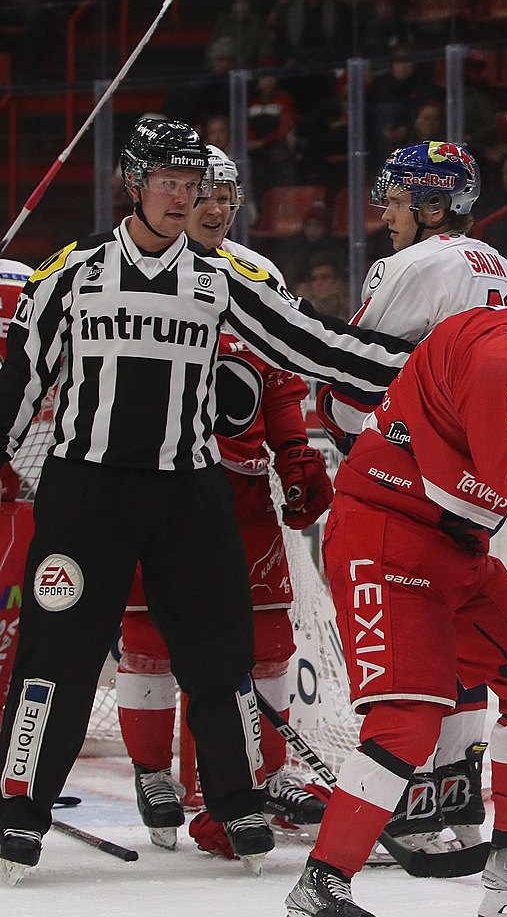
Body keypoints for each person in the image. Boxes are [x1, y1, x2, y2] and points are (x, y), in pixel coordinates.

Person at [0, 118, 410, 884]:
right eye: (168, 182)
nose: (183, 198)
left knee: (221, 657)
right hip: (86, 491)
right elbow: (20, 378)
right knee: (55, 653)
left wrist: (429, 362)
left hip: (189, 492)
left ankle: (233, 801)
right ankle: (22, 806)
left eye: (193, 185)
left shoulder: (219, 278)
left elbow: (315, 344)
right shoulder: (73, 270)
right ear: (133, 183)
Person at [283, 299, 507, 917]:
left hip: (457, 547)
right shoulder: (501, 363)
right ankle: (322, 885)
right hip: (387, 539)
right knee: (407, 722)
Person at [113, 146, 333, 852]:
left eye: (224, 195)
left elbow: (282, 376)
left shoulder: (257, 273)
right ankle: (156, 774)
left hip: (238, 490)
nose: (210, 206)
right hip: (155, 484)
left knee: (268, 641)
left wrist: (295, 452)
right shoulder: (137, 269)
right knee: (150, 640)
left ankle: (261, 775)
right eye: (197, 191)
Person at [317, 138, 507, 851]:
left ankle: (403, 803)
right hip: (477, 483)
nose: (387, 213)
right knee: (461, 639)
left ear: (436, 205)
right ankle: (460, 798)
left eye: (399, 199)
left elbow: (351, 375)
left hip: (409, 480)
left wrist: (348, 440)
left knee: (408, 647)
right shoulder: (499, 265)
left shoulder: (409, 265)